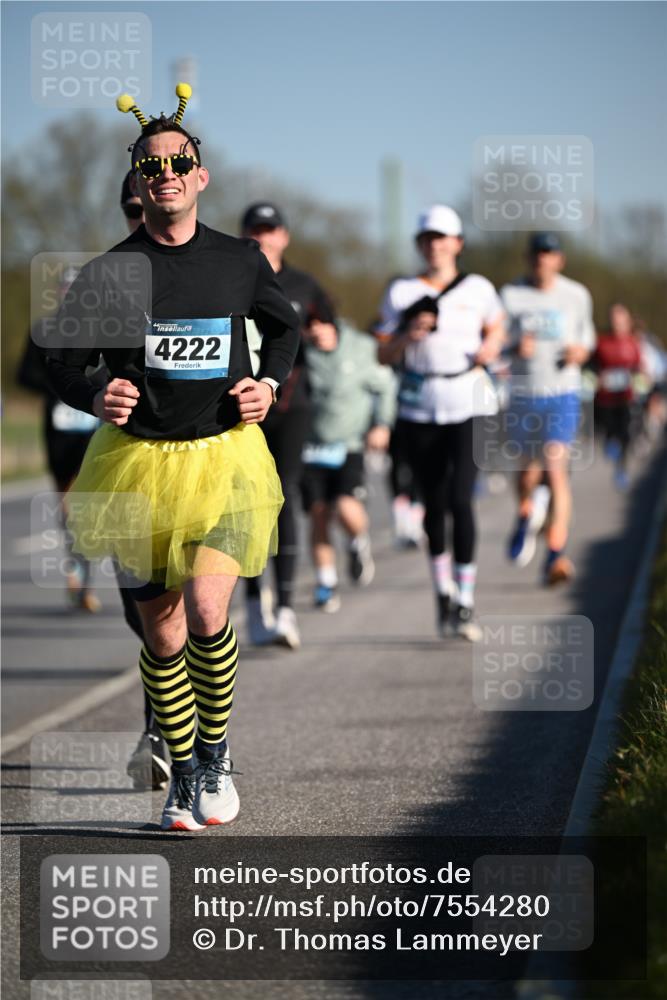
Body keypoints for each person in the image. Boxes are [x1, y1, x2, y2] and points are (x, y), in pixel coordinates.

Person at [46, 85, 299, 831]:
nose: (166, 174)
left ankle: (215, 758)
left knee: (209, 608)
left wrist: (268, 383)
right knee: (161, 631)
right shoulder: (108, 272)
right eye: (150, 165)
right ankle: (183, 773)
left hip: (224, 459)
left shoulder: (240, 260)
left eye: (178, 161)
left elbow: (282, 332)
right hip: (138, 464)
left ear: (199, 175)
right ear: (137, 180)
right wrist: (96, 393)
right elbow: (60, 356)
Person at [377, 205, 505, 641]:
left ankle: (466, 599)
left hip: (470, 399)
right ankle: (443, 594)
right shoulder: (401, 292)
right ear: (419, 244)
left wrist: (491, 347)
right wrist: (405, 337)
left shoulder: (480, 288)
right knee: (433, 501)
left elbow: (498, 325)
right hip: (420, 402)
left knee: (461, 498)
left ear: (457, 243)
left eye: (443, 237)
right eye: (427, 238)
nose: (435, 245)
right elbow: (382, 353)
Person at [239, 202, 337, 649]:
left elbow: (330, 331)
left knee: (284, 497)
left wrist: (323, 336)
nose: (264, 237)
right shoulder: (228, 276)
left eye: (271, 229)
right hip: (239, 409)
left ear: (285, 236)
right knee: (245, 506)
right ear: (244, 234)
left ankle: (285, 608)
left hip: (293, 404)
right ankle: (255, 601)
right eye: (255, 230)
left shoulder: (304, 284)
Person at [502, 232, 595, 584]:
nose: (543, 259)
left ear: (560, 260)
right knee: (526, 474)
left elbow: (587, 340)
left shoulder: (575, 295)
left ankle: (556, 553)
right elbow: (493, 341)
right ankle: (525, 513)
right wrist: (513, 345)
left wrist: (579, 353)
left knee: (556, 469)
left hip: (562, 393)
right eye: (538, 253)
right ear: (528, 259)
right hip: (524, 393)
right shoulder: (510, 296)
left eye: (550, 253)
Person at [17, 267, 102, 613]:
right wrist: (58, 388)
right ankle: (76, 569)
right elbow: (24, 375)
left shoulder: (100, 328)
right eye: (66, 288)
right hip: (58, 430)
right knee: (67, 506)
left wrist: (91, 392)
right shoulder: (43, 331)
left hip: (90, 427)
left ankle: (83, 584)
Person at [301, 312, 396, 611]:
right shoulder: (298, 354)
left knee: (346, 508)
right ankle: (326, 583)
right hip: (310, 446)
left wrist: (382, 423)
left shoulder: (360, 348)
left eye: (323, 327)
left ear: (335, 325)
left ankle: (357, 542)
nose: (318, 335)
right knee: (318, 514)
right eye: (311, 330)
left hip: (350, 445)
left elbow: (386, 385)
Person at [593, 303, 642, 491]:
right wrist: (596, 378)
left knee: (626, 435)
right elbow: (591, 366)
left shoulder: (633, 343)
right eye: (613, 318)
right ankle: (609, 439)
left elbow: (639, 369)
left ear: (628, 321)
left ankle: (621, 470)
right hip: (605, 397)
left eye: (620, 318)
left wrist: (640, 379)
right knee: (608, 428)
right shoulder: (601, 342)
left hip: (626, 397)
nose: (617, 322)